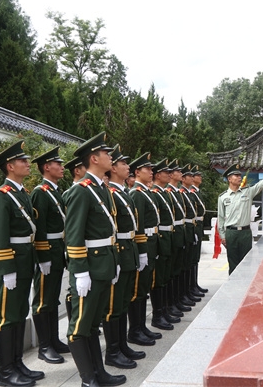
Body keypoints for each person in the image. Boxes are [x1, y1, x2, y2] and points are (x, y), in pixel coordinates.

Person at [64, 132, 126, 387]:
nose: (111, 157)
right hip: (89, 267)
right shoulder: (81, 191)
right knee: (79, 326)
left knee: (92, 325)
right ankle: (88, 379)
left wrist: (115, 260)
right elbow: (74, 235)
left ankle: (99, 373)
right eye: (106, 154)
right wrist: (80, 271)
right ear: (94, 158)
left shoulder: (102, 189)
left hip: (104, 264)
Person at [0, 140, 44, 387]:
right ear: (10, 166)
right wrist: (7, 269)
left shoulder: (22, 193)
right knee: (7, 317)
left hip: (24, 261)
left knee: (20, 313)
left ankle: (17, 363)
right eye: (22, 161)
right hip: (10, 265)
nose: (27, 164)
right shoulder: (1, 196)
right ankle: (5, 372)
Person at [102, 144, 146, 368]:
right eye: (123, 164)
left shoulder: (123, 193)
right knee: (113, 305)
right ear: (113, 169)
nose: (127, 167)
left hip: (129, 250)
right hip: (119, 251)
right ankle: (112, 351)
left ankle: (121, 345)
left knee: (122, 302)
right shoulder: (110, 193)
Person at [29, 147, 69, 365]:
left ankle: (54, 340)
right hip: (48, 252)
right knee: (43, 301)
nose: (62, 168)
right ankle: (44, 347)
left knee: (53, 298)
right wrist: (42, 256)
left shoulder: (54, 192)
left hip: (57, 249)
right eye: (58, 164)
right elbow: (39, 227)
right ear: (46, 167)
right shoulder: (40, 193)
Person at [217, 162, 263, 274]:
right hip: (231, 233)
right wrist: (222, 236)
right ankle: (234, 284)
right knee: (233, 263)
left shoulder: (248, 192)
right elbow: (221, 217)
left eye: (240, 175)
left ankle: (245, 284)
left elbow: (262, 184)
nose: (239, 177)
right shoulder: (223, 197)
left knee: (246, 263)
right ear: (229, 179)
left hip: (245, 233)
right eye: (236, 176)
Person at [127, 152, 162, 346]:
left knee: (144, 286)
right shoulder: (136, 194)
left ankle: (141, 327)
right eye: (147, 169)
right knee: (138, 289)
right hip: (144, 242)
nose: (151, 172)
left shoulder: (146, 192)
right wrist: (141, 250)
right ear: (137, 172)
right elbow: (138, 224)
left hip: (151, 241)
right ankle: (135, 329)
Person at [150, 159, 180, 329]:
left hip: (168, 237)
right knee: (159, 279)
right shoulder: (154, 193)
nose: (169, 175)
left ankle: (166, 309)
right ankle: (158, 314)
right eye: (165, 172)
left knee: (166, 276)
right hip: (160, 238)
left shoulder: (163, 193)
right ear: (158, 175)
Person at [62, 155, 86, 322]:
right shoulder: (71, 193)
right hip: (73, 246)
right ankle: (74, 322)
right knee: (74, 289)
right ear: (77, 171)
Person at [166, 159, 191, 314]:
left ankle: (178, 298)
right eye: (178, 172)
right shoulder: (168, 192)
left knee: (180, 268)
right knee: (171, 272)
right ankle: (170, 304)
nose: (181, 174)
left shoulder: (176, 193)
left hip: (181, 231)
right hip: (171, 234)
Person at [178, 165, 201, 305]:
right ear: (183, 179)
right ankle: (183, 293)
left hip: (193, 227)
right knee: (183, 264)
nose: (193, 178)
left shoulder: (190, 193)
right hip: (185, 229)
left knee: (192, 260)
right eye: (190, 176)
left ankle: (191, 287)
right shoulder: (181, 193)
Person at [189, 165, 208, 295]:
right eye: (197, 176)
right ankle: (191, 286)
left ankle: (194, 284)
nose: (199, 178)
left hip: (198, 225)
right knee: (191, 259)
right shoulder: (191, 193)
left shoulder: (197, 192)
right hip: (194, 226)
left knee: (195, 258)